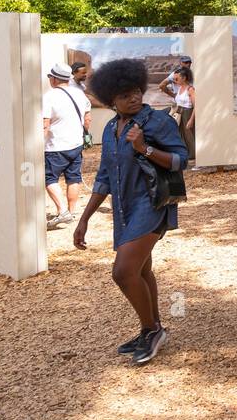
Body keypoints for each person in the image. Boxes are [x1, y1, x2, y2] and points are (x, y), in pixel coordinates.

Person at [73, 58, 188, 366]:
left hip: (152, 205)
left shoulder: (157, 122)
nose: (135, 98)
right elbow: (104, 178)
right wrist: (84, 218)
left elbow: (180, 161)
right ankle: (152, 328)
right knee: (141, 271)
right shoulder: (111, 129)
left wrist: (145, 149)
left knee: (123, 272)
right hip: (123, 209)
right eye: (125, 95)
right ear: (112, 101)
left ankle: (152, 330)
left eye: (137, 91)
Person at [43, 63, 91, 228]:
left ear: (55, 79)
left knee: (49, 178)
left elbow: (45, 124)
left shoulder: (50, 96)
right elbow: (87, 119)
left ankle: (62, 210)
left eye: (50, 77)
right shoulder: (79, 94)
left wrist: (38, 144)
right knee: (74, 178)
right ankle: (70, 213)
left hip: (55, 146)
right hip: (75, 144)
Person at [170, 65, 195, 161]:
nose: (176, 79)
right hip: (179, 113)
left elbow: (195, 106)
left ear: (184, 78)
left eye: (178, 77)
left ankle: (192, 155)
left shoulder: (190, 89)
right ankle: (184, 155)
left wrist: (191, 120)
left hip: (187, 113)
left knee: (189, 136)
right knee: (180, 135)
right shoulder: (180, 88)